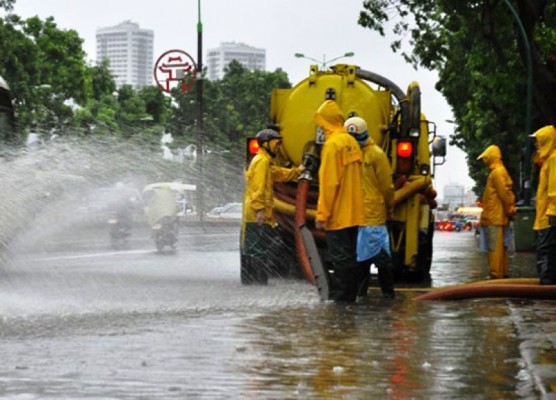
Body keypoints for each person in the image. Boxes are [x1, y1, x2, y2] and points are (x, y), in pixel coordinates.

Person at [314, 100, 364, 303]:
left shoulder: (333, 145)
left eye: (320, 122)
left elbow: (329, 183)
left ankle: (342, 304)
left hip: (338, 214)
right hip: (354, 213)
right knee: (350, 258)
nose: (319, 126)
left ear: (326, 121)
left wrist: (322, 214)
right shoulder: (351, 141)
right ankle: (349, 298)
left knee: (341, 259)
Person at [243, 128, 304, 285]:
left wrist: (298, 171)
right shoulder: (262, 162)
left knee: (255, 249)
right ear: (266, 144)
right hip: (257, 214)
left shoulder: (264, 161)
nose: (278, 147)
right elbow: (259, 188)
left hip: (256, 213)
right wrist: (260, 211)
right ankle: (259, 284)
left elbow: (279, 174)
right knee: (258, 251)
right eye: (276, 143)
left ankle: (254, 285)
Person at [344, 116, 396, 298]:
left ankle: (388, 296)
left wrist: (390, 207)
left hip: (373, 217)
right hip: (356, 217)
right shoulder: (351, 153)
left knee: (381, 260)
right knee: (361, 262)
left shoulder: (376, 154)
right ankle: (362, 298)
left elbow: (387, 187)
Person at [477, 144, 517, 279]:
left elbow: (504, 194)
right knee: (501, 247)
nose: (484, 161)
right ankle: (501, 272)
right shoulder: (500, 171)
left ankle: (496, 274)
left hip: (494, 217)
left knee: (494, 248)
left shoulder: (497, 173)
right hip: (498, 216)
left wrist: (510, 209)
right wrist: (509, 210)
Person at [529, 125, 556, 285]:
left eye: (538, 141)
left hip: (549, 218)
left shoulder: (553, 159)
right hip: (546, 217)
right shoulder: (547, 161)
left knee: (546, 252)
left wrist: (553, 213)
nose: (536, 145)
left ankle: (547, 290)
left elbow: (554, 189)